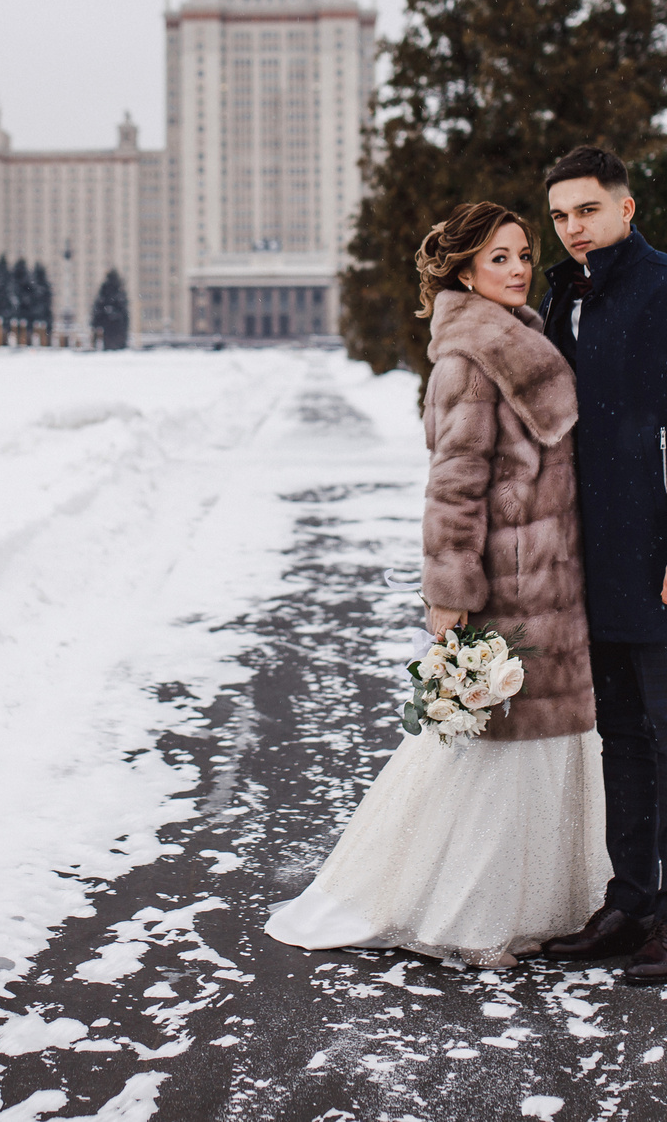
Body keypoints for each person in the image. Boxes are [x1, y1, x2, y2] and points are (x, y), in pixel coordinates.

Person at [265, 201, 606, 966]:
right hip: (509, 586)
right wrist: (449, 596)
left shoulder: (525, 338)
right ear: (464, 271)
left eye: (523, 253)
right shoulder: (470, 357)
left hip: (552, 580)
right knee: (495, 753)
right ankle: (470, 914)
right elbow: (453, 487)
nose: (519, 268)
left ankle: (542, 902)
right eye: (499, 258)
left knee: (543, 749)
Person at [530, 144, 667, 984]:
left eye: (586, 209)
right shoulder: (566, 296)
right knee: (621, 734)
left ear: (624, 207)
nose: (573, 228)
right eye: (559, 215)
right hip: (594, 560)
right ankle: (629, 900)